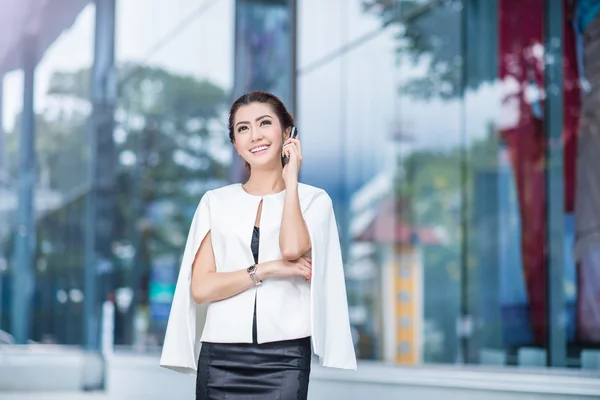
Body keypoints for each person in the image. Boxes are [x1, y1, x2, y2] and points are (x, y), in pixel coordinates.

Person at [160, 91, 356, 399]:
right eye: (243, 129)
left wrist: (291, 181)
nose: (255, 135)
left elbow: (292, 249)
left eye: (265, 123)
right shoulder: (216, 203)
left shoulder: (314, 201)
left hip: (285, 358)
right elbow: (201, 288)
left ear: (287, 133)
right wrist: (267, 269)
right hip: (220, 358)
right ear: (236, 146)